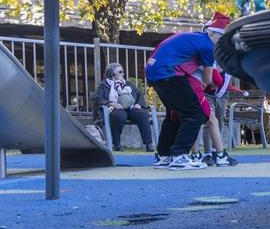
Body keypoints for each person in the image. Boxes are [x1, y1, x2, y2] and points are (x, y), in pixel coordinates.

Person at [144, 12, 237, 170]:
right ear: (211, 32)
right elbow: (208, 78)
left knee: (173, 115)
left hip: (153, 71)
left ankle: (163, 155)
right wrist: (212, 85)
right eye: (220, 38)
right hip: (168, 73)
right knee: (195, 114)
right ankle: (180, 155)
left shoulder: (196, 37)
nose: (221, 43)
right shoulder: (208, 46)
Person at [94, 63, 153, 152]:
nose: (123, 74)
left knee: (142, 114)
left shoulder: (128, 83)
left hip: (131, 108)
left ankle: (149, 144)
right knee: (118, 116)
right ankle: (117, 144)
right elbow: (98, 98)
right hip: (116, 109)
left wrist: (139, 104)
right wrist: (112, 103)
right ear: (112, 72)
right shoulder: (104, 85)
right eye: (120, 72)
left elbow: (139, 94)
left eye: (123, 72)